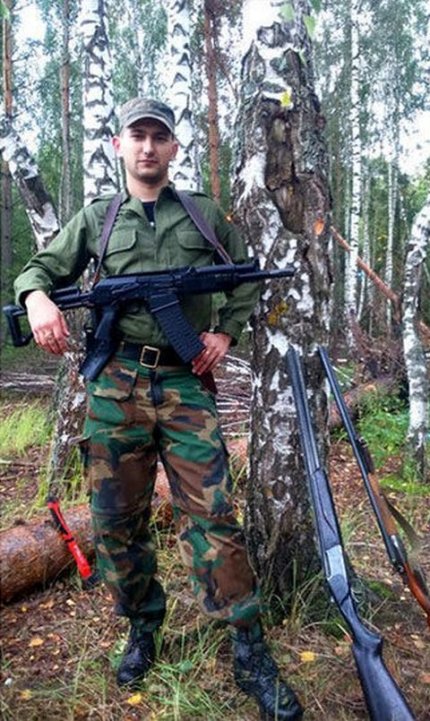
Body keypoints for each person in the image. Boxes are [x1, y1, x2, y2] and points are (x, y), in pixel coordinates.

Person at [14, 97, 303, 720]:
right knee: (115, 520)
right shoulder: (99, 217)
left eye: (159, 137)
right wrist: (37, 299)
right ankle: (143, 625)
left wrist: (225, 331)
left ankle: (248, 646)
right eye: (137, 136)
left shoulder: (203, 214)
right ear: (119, 145)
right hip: (116, 386)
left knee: (214, 516)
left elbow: (245, 275)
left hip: (187, 382)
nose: (148, 147)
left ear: (173, 148)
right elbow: (39, 270)